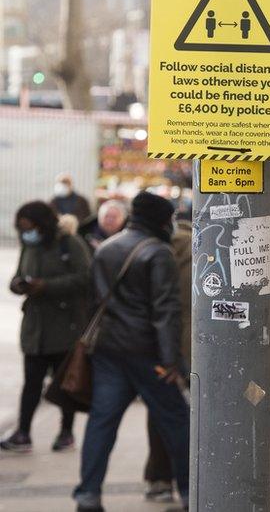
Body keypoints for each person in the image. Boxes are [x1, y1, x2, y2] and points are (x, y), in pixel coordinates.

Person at [74, 192, 188, 512]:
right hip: (147, 352)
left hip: (108, 350)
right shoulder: (158, 253)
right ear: (159, 220)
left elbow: (92, 301)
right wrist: (170, 361)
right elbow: (166, 311)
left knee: (101, 423)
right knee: (178, 422)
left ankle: (88, 495)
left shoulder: (107, 247)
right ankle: (192, 491)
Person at [2, 202, 90, 454]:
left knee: (64, 384)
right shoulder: (29, 246)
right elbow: (18, 274)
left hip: (64, 328)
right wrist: (18, 285)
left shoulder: (68, 244)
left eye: (29, 228)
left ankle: (66, 432)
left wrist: (46, 286)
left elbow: (84, 278)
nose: (26, 233)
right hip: (34, 329)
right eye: (21, 229)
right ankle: (23, 433)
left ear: (43, 224)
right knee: (31, 383)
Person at [142, 217, 192, 503]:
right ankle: (190, 480)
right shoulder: (202, 251)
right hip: (197, 346)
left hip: (163, 347)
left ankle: (159, 479)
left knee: (162, 414)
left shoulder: (155, 253)